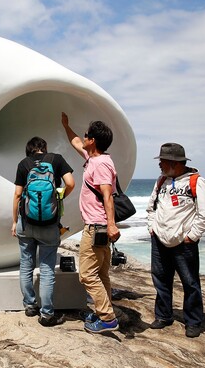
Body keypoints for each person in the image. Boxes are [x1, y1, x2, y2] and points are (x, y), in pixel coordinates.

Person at [61, 112, 120, 334]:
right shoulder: (92, 160)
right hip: (100, 226)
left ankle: (107, 318)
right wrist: (66, 125)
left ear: (93, 140)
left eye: (86, 135)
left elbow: (107, 196)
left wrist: (112, 224)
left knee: (86, 274)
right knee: (101, 273)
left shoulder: (101, 164)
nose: (83, 138)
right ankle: (104, 311)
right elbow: (75, 141)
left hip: (97, 226)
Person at [146, 143, 205, 338]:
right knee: (160, 280)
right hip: (160, 239)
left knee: (190, 282)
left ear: (174, 162)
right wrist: (152, 227)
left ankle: (193, 321)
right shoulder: (161, 181)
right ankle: (163, 316)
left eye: (162, 161)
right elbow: (151, 207)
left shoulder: (196, 181)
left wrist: (192, 236)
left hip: (184, 242)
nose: (159, 164)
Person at [12, 136, 75, 326]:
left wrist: (15, 222)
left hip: (27, 223)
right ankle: (47, 314)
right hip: (49, 224)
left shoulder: (24, 164)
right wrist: (60, 195)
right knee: (47, 269)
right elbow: (70, 183)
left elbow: (17, 194)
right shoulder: (56, 160)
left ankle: (30, 306)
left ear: (28, 150)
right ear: (44, 148)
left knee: (26, 264)